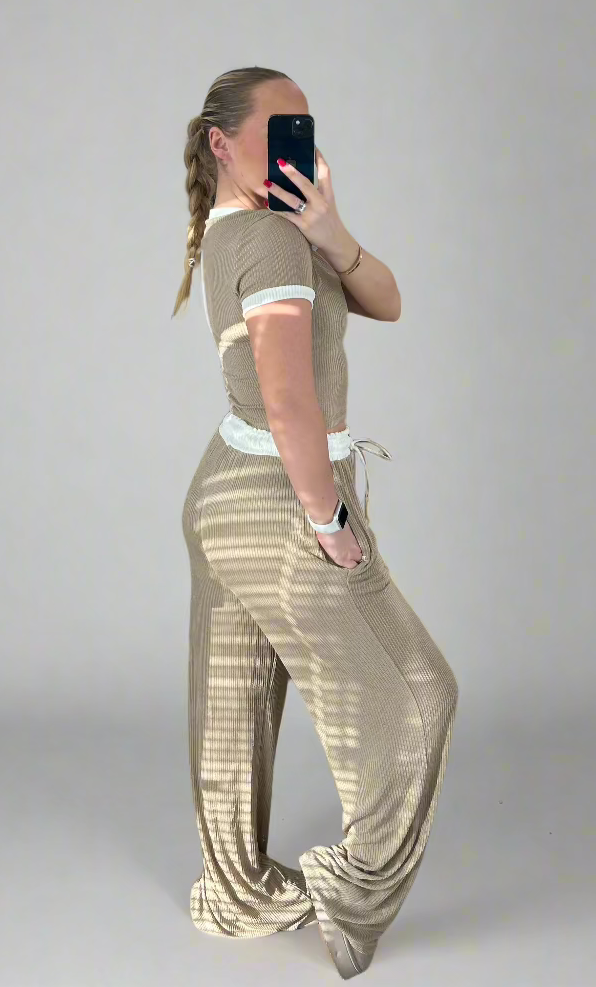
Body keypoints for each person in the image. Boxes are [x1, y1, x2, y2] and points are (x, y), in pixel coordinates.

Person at [174, 66, 460, 979]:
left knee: (233, 706)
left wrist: (331, 230)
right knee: (418, 695)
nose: (297, 146)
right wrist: (330, 516)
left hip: (225, 495)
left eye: (306, 128)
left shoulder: (258, 231)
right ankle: (356, 892)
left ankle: (234, 895)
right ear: (221, 144)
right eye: (277, 130)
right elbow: (289, 401)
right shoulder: (266, 239)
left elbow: (388, 299)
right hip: (281, 497)